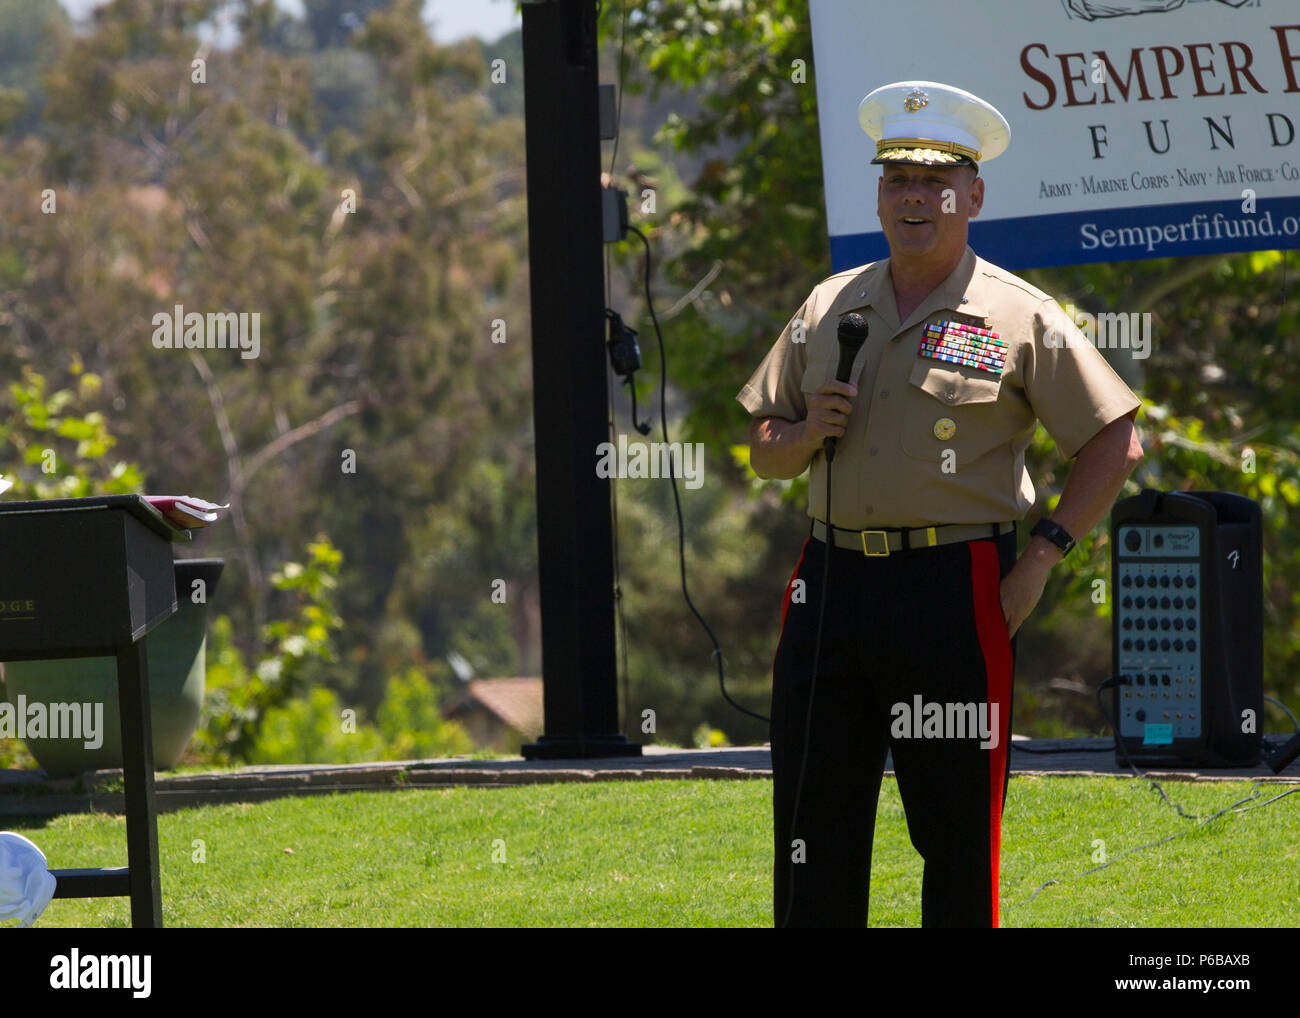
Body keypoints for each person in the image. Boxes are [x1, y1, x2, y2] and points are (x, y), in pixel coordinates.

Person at [738, 80, 1144, 928]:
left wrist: (1044, 558)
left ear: (973, 195)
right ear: (880, 195)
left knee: (957, 831)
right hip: (828, 587)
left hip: (954, 591)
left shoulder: (1019, 313)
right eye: (897, 180)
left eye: (935, 180)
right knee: (813, 823)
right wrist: (806, 430)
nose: (914, 198)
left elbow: (1115, 441)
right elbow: (765, 454)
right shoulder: (829, 303)